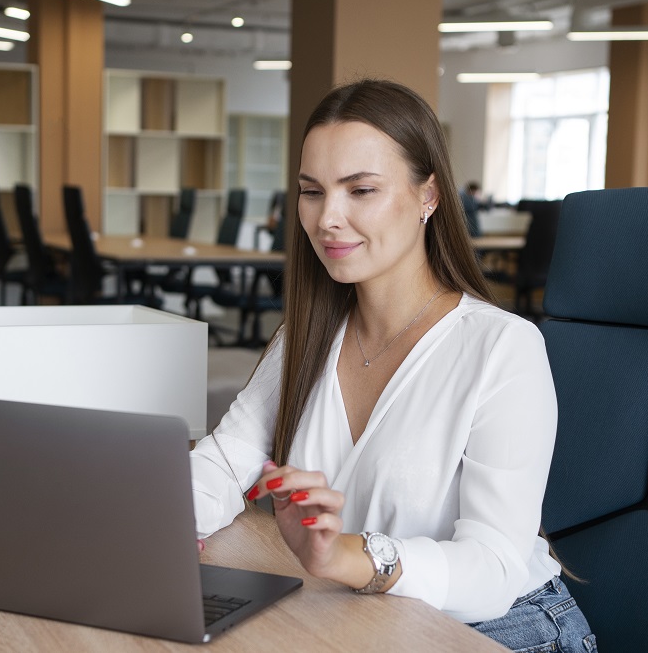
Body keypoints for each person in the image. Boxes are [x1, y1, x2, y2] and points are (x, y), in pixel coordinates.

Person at [189, 79, 597, 652]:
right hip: (367, 613)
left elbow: (494, 569)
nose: (327, 218)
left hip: (500, 628)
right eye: (312, 191)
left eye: (360, 190)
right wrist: (157, 517)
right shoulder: (306, 338)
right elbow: (225, 464)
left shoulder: (503, 347)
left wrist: (351, 555)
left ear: (427, 195)